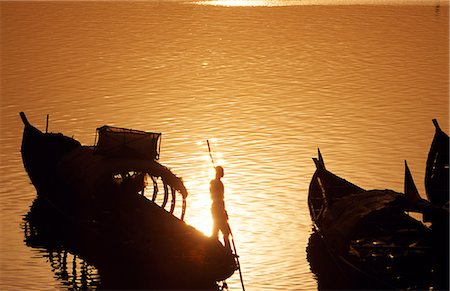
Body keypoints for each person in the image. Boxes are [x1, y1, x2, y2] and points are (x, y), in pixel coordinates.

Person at [210, 166, 231, 252]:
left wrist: (224, 210)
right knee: (225, 231)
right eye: (222, 172)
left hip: (217, 207)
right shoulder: (216, 183)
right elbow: (219, 198)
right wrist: (222, 211)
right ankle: (227, 250)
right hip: (218, 208)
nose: (223, 174)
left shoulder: (214, 183)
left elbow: (220, 198)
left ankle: (221, 248)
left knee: (217, 228)